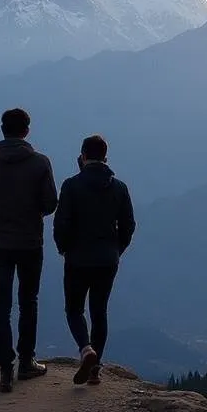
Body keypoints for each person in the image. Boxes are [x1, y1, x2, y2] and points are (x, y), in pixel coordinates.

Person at [0, 107, 58, 393]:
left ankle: (5, 370)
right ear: (27, 131)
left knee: (0, 308)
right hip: (31, 243)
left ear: (2, 129)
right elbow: (49, 204)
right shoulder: (40, 163)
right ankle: (26, 362)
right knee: (28, 302)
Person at [53, 134, 136, 385]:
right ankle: (95, 368)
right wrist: (116, 249)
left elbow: (61, 224)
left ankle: (85, 349)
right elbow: (129, 225)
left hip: (77, 258)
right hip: (107, 259)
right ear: (106, 157)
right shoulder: (119, 187)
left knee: (74, 309)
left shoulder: (71, 185)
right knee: (99, 311)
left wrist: (64, 248)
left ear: (83, 156)